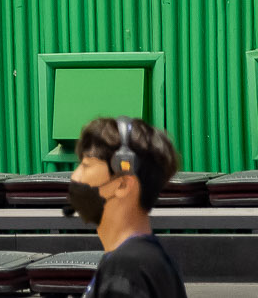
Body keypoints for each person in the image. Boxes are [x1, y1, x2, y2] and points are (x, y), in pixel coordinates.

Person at [70, 118, 186, 298]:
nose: (75, 177)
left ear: (123, 184)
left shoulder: (125, 269)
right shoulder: (150, 259)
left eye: (86, 166)